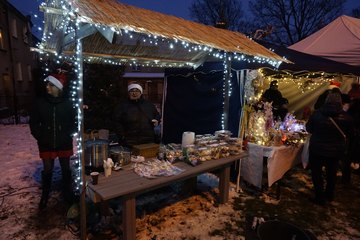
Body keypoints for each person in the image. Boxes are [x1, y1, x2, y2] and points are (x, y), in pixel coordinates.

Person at [30, 73, 77, 210]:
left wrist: (68, 134)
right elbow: (33, 122)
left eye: (51, 85)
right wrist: (40, 136)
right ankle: (45, 194)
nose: (47, 87)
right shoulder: (40, 102)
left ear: (58, 87)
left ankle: (67, 192)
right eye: (47, 84)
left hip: (64, 141)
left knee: (66, 168)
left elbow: (74, 121)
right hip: (46, 142)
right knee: (48, 169)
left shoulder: (68, 103)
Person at [306, 92, 353, 205]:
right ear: (340, 102)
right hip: (335, 151)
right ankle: (329, 194)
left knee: (316, 174)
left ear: (326, 100)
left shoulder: (317, 114)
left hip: (317, 149)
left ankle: (319, 196)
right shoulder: (347, 117)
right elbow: (350, 134)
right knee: (331, 174)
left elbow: (309, 129)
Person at [113, 83, 161, 148]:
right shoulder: (122, 105)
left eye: (137, 91)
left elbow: (157, 115)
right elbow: (116, 122)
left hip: (148, 139)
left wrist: (157, 120)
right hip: (129, 140)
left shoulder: (148, 104)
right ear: (129, 93)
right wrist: (122, 136)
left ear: (141, 93)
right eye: (132, 91)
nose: (134, 93)